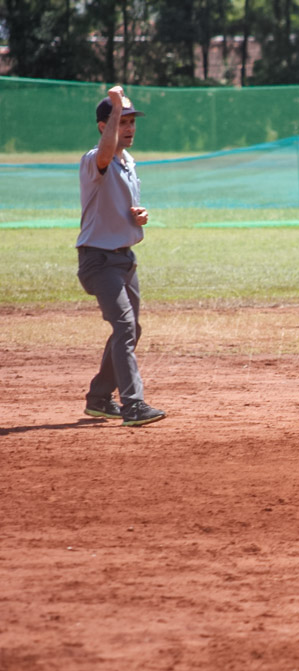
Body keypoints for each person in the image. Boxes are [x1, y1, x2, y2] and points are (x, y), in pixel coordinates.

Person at [78, 86, 166, 427]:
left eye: (131, 121)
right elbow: (104, 156)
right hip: (98, 260)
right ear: (104, 126)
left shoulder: (129, 163)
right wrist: (115, 105)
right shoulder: (94, 160)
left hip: (125, 259)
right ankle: (133, 405)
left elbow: (119, 208)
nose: (129, 127)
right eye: (121, 121)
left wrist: (138, 216)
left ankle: (100, 398)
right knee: (125, 327)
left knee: (131, 330)